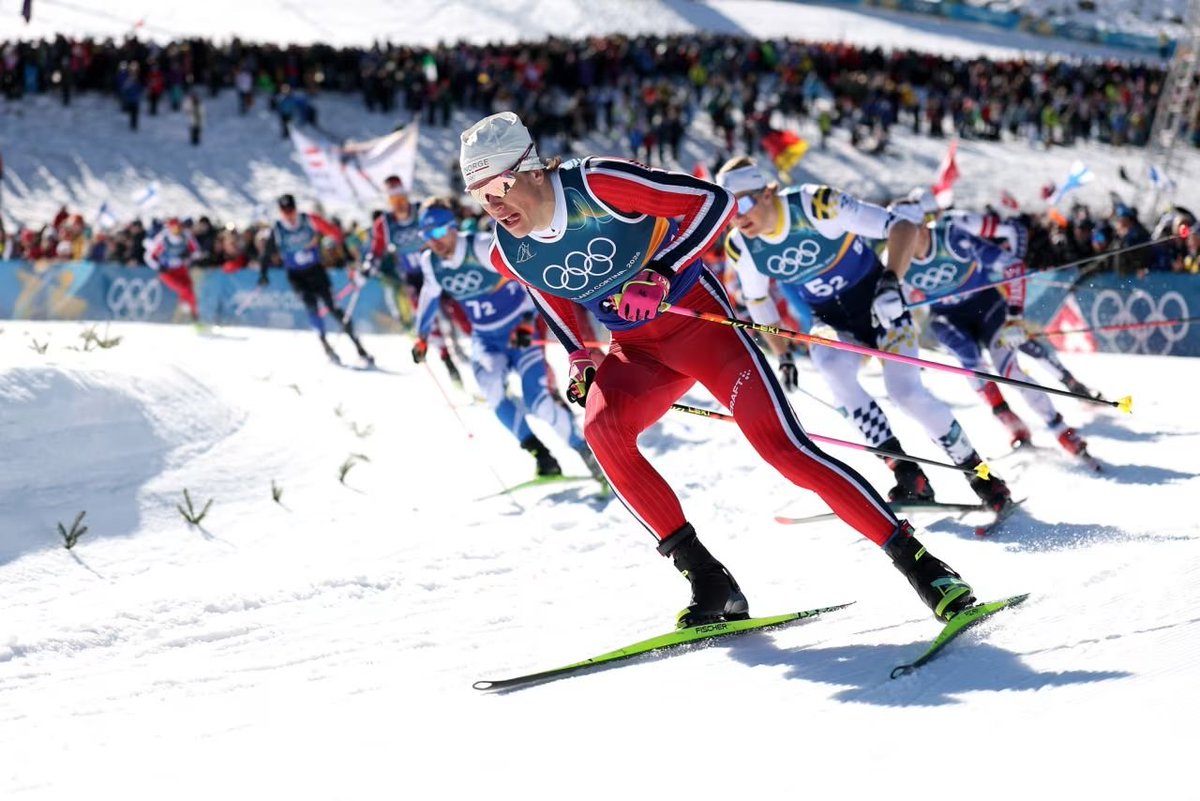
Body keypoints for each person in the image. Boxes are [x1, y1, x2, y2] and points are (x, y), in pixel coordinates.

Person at [458, 110, 990, 627]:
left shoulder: (597, 184)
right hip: (636, 352)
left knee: (784, 451)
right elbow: (549, 293)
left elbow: (713, 203)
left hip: (703, 328)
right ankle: (711, 584)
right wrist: (578, 354)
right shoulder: (508, 248)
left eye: (499, 186)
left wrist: (662, 274)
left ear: (531, 169)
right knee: (602, 432)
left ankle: (923, 567)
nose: (492, 204)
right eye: (479, 196)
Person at [716, 157, 1013, 511]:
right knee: (827, 361)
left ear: (768, 193)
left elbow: (901, 226)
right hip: (834, 321)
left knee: (906, 393)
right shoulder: (741, 246)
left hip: (879, 304)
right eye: (729, 209)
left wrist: (891, 282)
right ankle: (905, 472)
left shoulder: (816, 205)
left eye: (744, 202)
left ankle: (981, 476)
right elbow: (759, 301)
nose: (738, 216)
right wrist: (781, 355)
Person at [413, 198, 606, 485]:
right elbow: (429, 297)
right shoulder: (430, 263)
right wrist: (421, 337)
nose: (435, 242)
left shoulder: (479, 246)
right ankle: (541, 456)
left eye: (439, 233)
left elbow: (528, 277)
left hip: (519, 332)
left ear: (452, 227)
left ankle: (588, 456)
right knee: (491, 390)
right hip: (485, 338)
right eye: (427, 236)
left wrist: (529, 321)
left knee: (538, 401)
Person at [885, 201, 1091, 461]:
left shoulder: (952, 239)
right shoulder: (892, 261)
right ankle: (1008, 418)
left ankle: (1059, 427)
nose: (903, 241)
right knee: (970, 362)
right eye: (895, 234)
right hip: (948, 319)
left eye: (909, 230)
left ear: (924, 226)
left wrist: (1015, 316)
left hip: (988, 310)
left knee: (1009, 370)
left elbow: (1013, 267)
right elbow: (890, 307)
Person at [259, 194, 374, 366]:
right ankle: (325, 345)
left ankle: (359, 347)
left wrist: (345, 254)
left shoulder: (309, 220)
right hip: (297, 276)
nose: (289, 215)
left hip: (316, 272)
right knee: (311, 306)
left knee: (333, 308)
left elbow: (335, 233)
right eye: (285, 212)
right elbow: (267, 253)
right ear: (280, 212)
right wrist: (263, 274)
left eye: (291, 210)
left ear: (295, 208)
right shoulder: (278, 229)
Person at [144, 217, 201, 323]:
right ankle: (185, 310)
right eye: (174, 228)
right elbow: (148, 256)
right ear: (170, 228)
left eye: (179, 227)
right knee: (184, 289)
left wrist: (188, 256)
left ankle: (195, 317)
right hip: (167, 271)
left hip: (181, 269)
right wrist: (158, 266)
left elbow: (197, 252)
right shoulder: (163, 238)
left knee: (191, 293)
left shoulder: (186, 236)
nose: (177, 230)